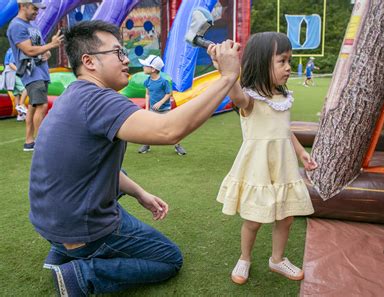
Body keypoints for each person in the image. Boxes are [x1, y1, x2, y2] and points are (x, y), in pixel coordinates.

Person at [29, 20, 240, 296]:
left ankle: (63, 252)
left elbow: (88, 167)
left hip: (51, 222)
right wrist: (226, 77)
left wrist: (141, 194)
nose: (126, 59)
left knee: (116, 172)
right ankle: (80, 273)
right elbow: (169, 131)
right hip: (81, 227)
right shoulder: (99, 100)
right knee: (168, 258)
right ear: (89, 61)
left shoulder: (74, 95)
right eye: (117, 53)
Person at [212, 32, 317, 285]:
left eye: (289, 61)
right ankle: (245, 258)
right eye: (282, 61)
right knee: (254, 220)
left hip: (284, 168)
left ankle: (277, 259)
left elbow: (283, 130)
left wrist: (301, 151)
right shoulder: (249, 99)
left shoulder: (283, 98)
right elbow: (236, 96)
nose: (289, 67)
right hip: (259, 168)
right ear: (261, 63)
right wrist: (226, 71)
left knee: (287, 216)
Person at [7, 0, 63, 151]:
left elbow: (40, 47)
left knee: (33, 105)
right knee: (41, 105)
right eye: (34, 8)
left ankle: (29, 141)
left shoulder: (33, 25)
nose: (37, 12)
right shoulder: (17, 26)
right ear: (23, 6)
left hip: (41, 71)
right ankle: (42, 144)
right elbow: (29, 51)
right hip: (31, 72)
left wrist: (48, 50)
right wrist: (51, 45)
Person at [137, 55, 187, 156]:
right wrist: (147, 108)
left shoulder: (164, 82)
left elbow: (169, 93)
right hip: (152, 110)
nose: (143, 67)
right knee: (148, 127)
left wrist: (160, 103)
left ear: (153, 69)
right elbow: (147, 94)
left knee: (171, 128)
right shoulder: (147, 81)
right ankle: (146, 145)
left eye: (145, 65)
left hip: (165, 110)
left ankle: (177, 146)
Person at [1, 48, 28, 121]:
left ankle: (20, 115)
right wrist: (20, 72)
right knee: (26, 89)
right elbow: (11, 64)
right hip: (13, 74)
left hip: (8, 74)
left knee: (17, 95)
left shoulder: (10, 49)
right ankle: (21, 105)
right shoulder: (15, 50)